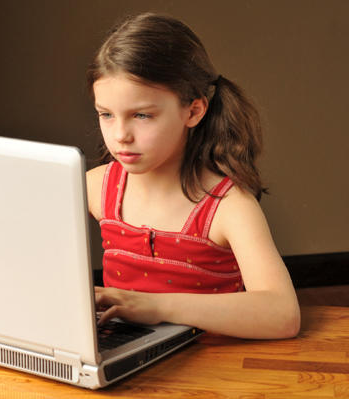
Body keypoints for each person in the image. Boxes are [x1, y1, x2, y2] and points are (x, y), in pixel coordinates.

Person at [86, 12, 300, 339]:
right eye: (106, 115)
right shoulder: (96, 186)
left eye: (141, 115)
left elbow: (282, 314)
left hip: (212, 370)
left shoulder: (228, 205)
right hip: (125, 364)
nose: (120, 135)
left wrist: (156, 306)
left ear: (193, 111)